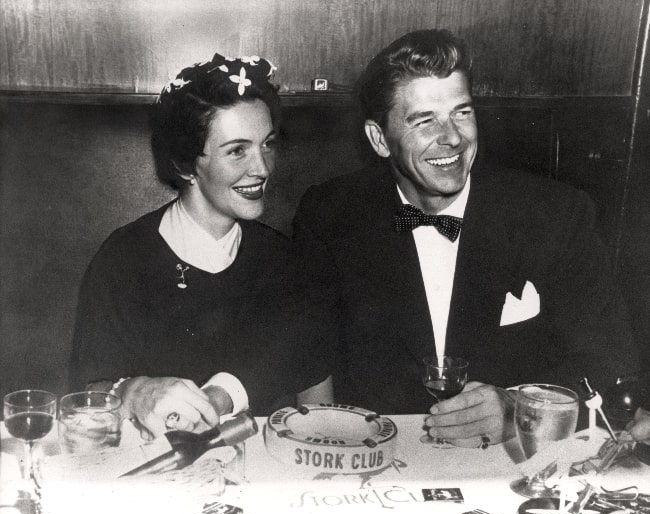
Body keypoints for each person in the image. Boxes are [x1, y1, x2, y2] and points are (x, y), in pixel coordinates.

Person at [292, 29, 638, 447]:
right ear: (379, 139)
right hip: (379, 462)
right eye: (424, 120)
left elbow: (611, 361)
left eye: (462, 112)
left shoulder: (554, 214)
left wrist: (519, 408)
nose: (452, 137)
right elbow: (310, 358)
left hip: (513, 458)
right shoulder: (330, 214)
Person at [70, 53, 333, 439]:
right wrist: (132, 391)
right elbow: (83, 401)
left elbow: (319, 407)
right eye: (237, 150)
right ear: (184, 166)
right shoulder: (124, 259)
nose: (262, 168)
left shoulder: (286, 260)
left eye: (268, 144)